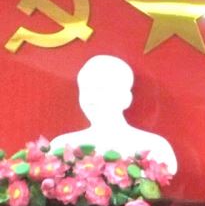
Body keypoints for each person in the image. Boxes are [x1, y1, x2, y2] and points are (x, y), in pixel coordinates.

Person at [50, 54, 179, 174]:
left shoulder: (155, 147)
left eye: (100, 90)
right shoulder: (62, 145)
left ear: (126, 98)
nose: (91, 100)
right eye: (85, 91)